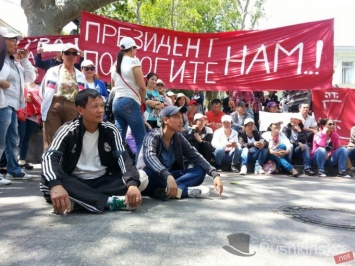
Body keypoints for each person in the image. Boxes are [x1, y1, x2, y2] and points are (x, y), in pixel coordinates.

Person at [40, 89, 148, 214]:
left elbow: (123, 158)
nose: (100, 110)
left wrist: (132, 185)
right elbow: (49, 157)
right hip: (75, 181)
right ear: (80, 110)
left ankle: (79, 202)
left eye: (102, 105)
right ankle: (109, 202)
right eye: (95, 106)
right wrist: (55, 185)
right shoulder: (68, 130)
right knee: (49, 183)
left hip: (103, 181)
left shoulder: (110, 129)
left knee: (142, 177)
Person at [136, 105, 223, 200]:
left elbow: (195, 155)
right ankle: (184, 191)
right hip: (153, 176)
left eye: (181, 117)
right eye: (177, 117)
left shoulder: (179, 137)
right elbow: (150, 157)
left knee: (200, 171)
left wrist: (215, 174)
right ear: (165, 120)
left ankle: (165, 190)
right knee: (148, 173)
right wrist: (167, 176)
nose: (181, 121)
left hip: (170, 176)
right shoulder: (152, 136)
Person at [0, 27, 36, 181]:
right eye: (11, 39)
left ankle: (14, 169)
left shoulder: (13, 61)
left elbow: (30, 78)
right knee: (1, 141)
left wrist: (25, 59)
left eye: (16, 40)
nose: (16, 43)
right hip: (2, 104)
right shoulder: (2, 60)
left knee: (12, 140)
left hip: (12, 106)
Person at [40, 43, 86, 151]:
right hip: (54, 105)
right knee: (51, 138)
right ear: (62, 55)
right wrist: (47, 105)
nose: (71, 56)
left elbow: (82, 95)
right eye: (67, 53)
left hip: (72, 107)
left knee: (70, 139)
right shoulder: (52, 71)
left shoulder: (80, 75)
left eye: (74, 53)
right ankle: (49, 164)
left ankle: (65, 166)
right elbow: (43, 90)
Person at [111, 37, 146, 159]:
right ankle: (139, 171)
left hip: (116, 102)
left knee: (118, 140)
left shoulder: (115, 64)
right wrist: (143, 100)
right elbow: (142, 86)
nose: (136, 51)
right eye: (135, 48)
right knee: (141, 138)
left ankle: (117, 169)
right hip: (130, 101)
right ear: (132, 49)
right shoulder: (134, 61)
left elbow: (112, 85)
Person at [18, 67, 42, 170]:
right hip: (22, 114)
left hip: (33, 117)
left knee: (26, 138)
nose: (34, 74)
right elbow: (23, 98)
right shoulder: (22, 85)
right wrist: (31, 98)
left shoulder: (40, 87)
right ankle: (14, 160)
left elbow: (41, 100)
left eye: (36, 72)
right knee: (19, 137)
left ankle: (22, 160)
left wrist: (30, 98)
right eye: (32, 72)